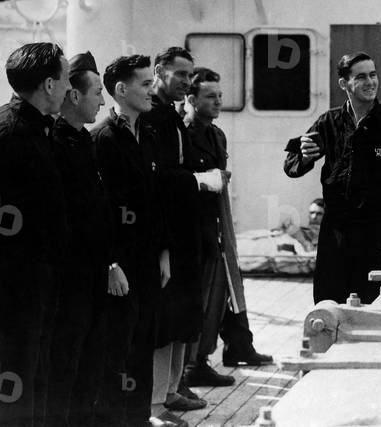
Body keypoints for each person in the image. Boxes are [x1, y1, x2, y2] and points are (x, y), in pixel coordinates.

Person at [283, 53, 381, 304]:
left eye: (373, 75)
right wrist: (305, 155)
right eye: (361, 76)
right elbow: (292, 166)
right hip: (336, 231)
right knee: (329, 301)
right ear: (344, 84)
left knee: (376, 302)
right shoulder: (328, 122)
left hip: (377, 229)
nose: (370, 82)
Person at [0, 43, 69, 427]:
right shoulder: (10, 134)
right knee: (7, 389)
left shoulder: (37, 128)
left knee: (31, 382)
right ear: (49, 84)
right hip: (13, 288)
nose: (68, 88)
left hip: (34, 283)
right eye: (64, 80)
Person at [139, 48, 224, 411]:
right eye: (180, 74)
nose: (186, 82)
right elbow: (157, 177)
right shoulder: (152, 118)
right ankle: (157, 399)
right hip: (167, 232)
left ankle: (171, 390)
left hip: (186, 230)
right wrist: (202, 181)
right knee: (167, 318)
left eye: (190, 76)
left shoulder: (170, 116)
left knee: (184, 316)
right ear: (159, 72)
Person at [182, 69, 272, 393]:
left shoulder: (217, 135)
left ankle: (204, 360)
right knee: (198, 299)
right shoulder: (182, 135)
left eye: (220, 96)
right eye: (210, 96)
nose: (218, 101)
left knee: (220, 295)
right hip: (190, 227)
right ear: (191, 100)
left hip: (215, 225)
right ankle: (190, 365)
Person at [93, 55, 167, 427]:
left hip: (148, 261)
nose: (152, 90)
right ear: (121, 90)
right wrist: (110, 264)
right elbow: (98, 209)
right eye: (145, 84)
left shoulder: (148, 134)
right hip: (120, 265)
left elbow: (157, 200)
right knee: (117, 349)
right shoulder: (103, 140)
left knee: (143, 343)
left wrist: (164, 253)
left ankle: (139, 418)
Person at [46, 52, 111, 427]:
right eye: (97, 93)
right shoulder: (55, 144)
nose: (102, 102)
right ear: (74, 95)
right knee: (65, 366)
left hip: (92, 275)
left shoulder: (83, 140)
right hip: (70, 279)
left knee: (89, 363)